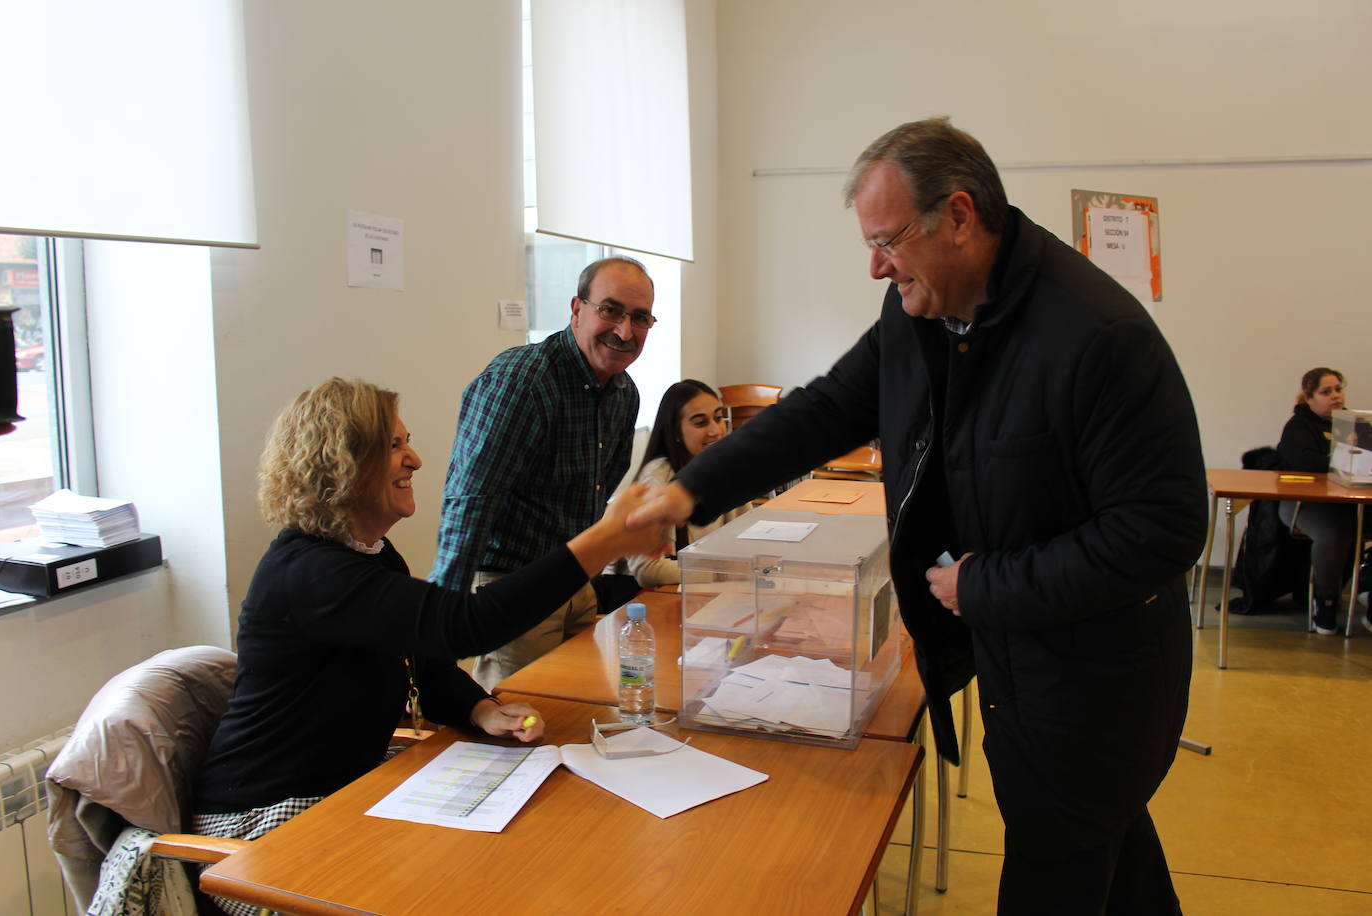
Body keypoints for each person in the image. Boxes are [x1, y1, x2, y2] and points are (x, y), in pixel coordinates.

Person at [628, 118, 1207, 914]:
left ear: (960, 218)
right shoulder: (921, 312)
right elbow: (829, 407)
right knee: (1114, 854)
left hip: (1092, 686)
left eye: (888, 240)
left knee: (1061, 860)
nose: (875, 266)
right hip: (1018, 662)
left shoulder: (1095, 336)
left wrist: (986, 588)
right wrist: (693, 492)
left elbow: (1162, 528)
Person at [193, 378, 663, 916]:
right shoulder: (311, 573)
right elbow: (465, 625)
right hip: (267, 821)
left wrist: (479, 708)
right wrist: (601, 538)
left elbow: (422, 655)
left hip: (344, 793)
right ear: (343, 462)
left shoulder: (366, 554)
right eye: (393, 446)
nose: (414, 459)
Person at [431, 256, 655, 689]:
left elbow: (602, 485)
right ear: (577, 309)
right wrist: (440, 628)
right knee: (520, 731)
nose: (625, 331)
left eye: (640, 318)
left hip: (576, 583)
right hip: (513, 588)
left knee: (578, 712)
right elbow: (469, 501)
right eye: (610, 311)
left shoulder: (624, 393)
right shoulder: (523, 381)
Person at [620, 380, 748, 587]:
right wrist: (721, 574)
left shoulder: (723, 465)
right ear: (676, 432)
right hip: (657, 599)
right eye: (700, 423)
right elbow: (647, 570)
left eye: (718, 417)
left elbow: (748, 530)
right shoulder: (657, 478)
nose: (715, 430)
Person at [1276, 367, 1362, 634]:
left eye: (1338, 389)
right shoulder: (1298, 426)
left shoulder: (1354, 425)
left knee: (1350, 524)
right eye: (1326, 391)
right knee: (1334, 532)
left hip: (1350, 502)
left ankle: (1368, 589)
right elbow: (1307, 463)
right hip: (1304, 504)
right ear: (1309, 398)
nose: (1335, 395)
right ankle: (1325, 600)